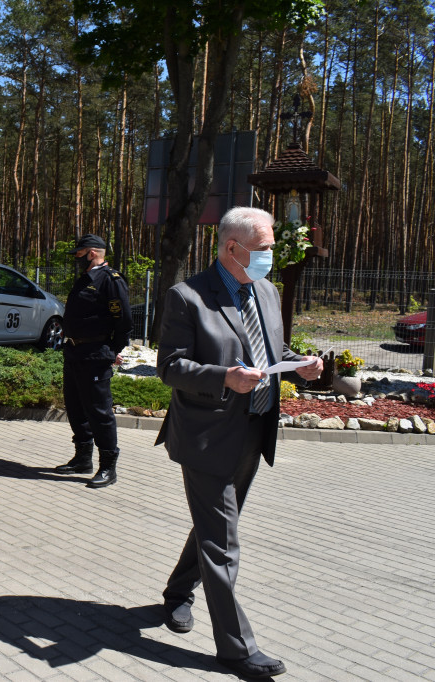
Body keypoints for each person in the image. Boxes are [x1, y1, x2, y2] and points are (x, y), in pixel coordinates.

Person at [154, 207, 323, 679]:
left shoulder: (266, 290)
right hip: (207, 435)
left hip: (254, 429)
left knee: (214, 528)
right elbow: (169, 366)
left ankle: (176, 594)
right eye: (266, 248)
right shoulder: (187, 296)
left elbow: (271, 350)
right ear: (233, 248)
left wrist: (301, 365)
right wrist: (223, 377)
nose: (272, 256)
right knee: (222, 540)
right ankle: (236, 649)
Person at [54, 234, 133, 488]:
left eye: (78, 253)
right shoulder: (85, 279)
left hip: (95, 354)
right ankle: (82, 459)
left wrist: (112, 350)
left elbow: (124, 321)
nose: (75, 258)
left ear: (91, 253)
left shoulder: (111, 281)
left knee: (99, 412)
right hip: (75, 352)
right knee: (76, 408)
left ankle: (108, 466)